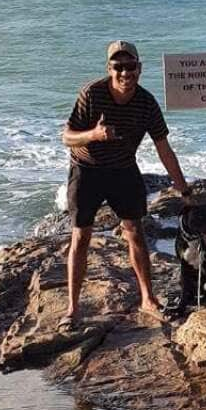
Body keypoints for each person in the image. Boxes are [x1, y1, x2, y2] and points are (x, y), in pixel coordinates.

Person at [60, 40, 189, 327]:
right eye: (118, 67)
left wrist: (184, 189)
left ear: (139, 69)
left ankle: (147, 298)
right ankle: (72, 309)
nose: (125, 73)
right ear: (109, 69)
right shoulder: (91, 94)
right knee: (81, 236)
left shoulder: (146, 102)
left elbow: (163, 148)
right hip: (87, 169)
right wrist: (93, 134)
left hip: (123, 168)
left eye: (130, 66)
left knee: (135, 232)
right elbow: (67, 137)